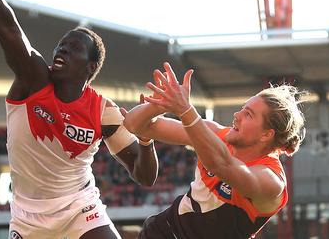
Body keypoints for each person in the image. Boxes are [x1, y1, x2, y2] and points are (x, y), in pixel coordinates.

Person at [0, 0, 158, 239]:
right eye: (61, 44)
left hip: (80, 208)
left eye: (73, 46)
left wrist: (147, 140)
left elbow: (144, 175)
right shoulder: (34, 79)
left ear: (91, 66)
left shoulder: (102, 112)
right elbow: (8, 31)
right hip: (29, 220)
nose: (62, 48)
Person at [123, 62, 306, 239]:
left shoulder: (271, 181)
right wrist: (160, 104)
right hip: (162, 232)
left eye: (248, 114)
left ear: (266, 135)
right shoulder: (217, 133)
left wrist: (185, 110)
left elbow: (221, 165)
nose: (237, 115)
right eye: (242, 109)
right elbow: (134, 124)